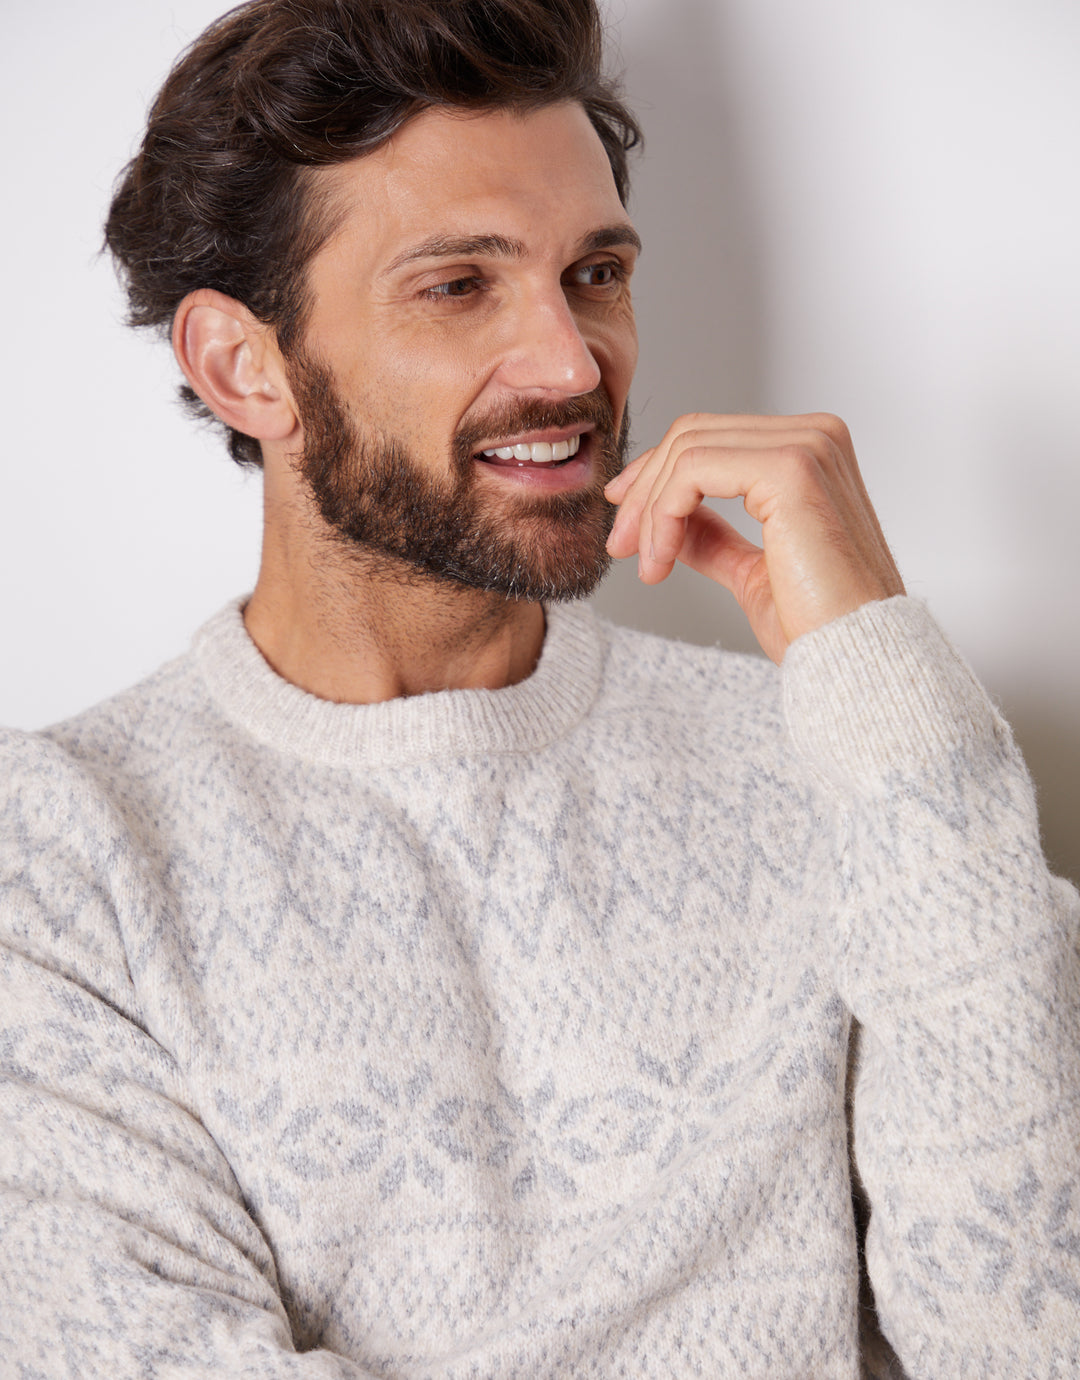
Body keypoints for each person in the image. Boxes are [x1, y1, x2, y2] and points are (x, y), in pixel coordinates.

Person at [1, 0, 1076, 1375]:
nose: (575, 365)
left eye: (595, 272)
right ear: (243, 366)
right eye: (459, 286)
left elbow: (1030, 1336)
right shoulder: (59, 858)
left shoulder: (845, 761)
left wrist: (879, 668)